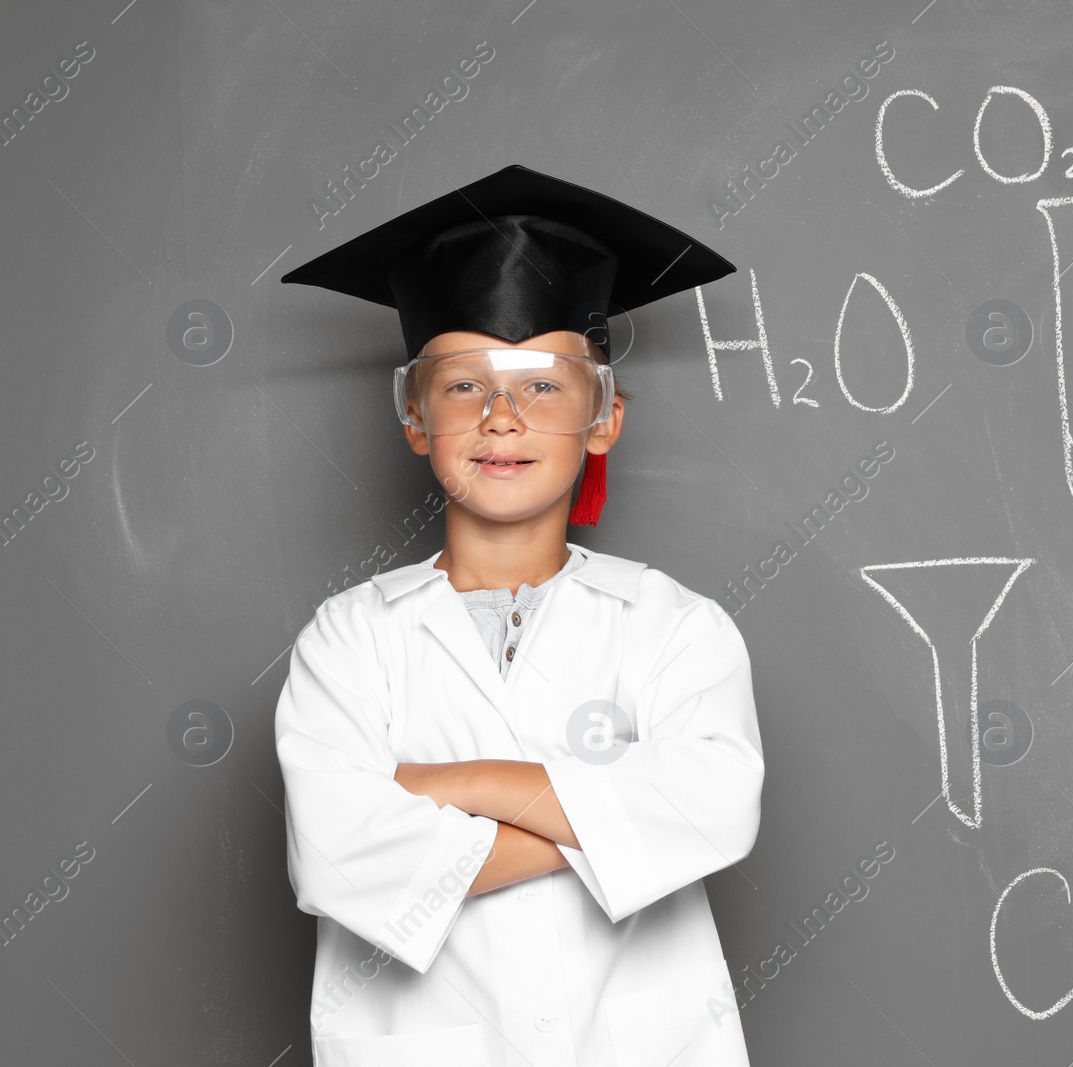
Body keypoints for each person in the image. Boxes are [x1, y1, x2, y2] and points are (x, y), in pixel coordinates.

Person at [274, 164, 763, 1066]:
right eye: (462, 386)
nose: (501, 418)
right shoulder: (347, 639)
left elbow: (716, 809)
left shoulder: (674, 626)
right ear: (415, 418)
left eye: (542, 385)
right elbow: (337, 859)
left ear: (604, 417)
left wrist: (451, 785)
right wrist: (613, 820)